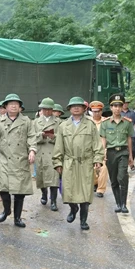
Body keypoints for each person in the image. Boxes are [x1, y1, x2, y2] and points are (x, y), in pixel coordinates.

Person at [52, 97, 104, 230]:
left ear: (84, 108)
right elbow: (58, 146)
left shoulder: (90, 125)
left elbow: (97, 144)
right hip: (69, 163)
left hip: (85, 163)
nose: (76, 108)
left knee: (86, 194)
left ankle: (83, 221)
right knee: (68, 192)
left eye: (79, 106)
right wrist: (58, 162)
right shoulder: (63, 126)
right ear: (69, 109)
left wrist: (98, 159)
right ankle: (73, 209)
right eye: (73, 106)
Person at [0, 93, 37, 228]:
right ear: (5, 106)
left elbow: (32, 137)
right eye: (10, 103)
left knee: (20, 191)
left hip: (20, 160)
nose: (13, 106)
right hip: (4, 160)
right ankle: (6, 209)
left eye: (16, 103)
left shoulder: (26, 121)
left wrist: (32, 150)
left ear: (20, 107)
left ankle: (17, 218)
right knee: (3, 188)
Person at [99, 94, 134, 214]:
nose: (117, 108)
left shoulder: (127, 123)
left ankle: (124, 204)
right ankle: (118, 203)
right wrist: (103, 153)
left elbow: (129, 139)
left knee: (122, 177)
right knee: (113, 180)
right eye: (115, 106)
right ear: (111, 107)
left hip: (123, 152)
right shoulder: (105, 123)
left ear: (122, 106)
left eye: (119, 105)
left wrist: (130, 156)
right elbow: (103, 139)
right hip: (111, 153)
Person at [33, 97, 61, 211]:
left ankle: (53, 200)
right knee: (41, 177)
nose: (47, 111)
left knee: (54, 178)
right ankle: (44, 194)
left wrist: (54, 137)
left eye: (49, 109)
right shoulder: (35, 122)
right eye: (45, 109)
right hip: (41, 151)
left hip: (53, 151)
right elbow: (31, 137)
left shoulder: (59, 122)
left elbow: (62, 138)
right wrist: (41, 135)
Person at [89, 101, 109, 198]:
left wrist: (106, 150)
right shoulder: (88, 122)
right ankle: (95, 183)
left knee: (103, 169)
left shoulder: (106, 122)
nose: (96, 113)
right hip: (90, 150)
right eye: (94, 111)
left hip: (102, 149)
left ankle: (101, 189)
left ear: (101, 111)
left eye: (98, 111)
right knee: (91, 169)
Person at [121, 97, 135, 170]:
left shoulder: (132, 112)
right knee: (124, 150)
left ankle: (131, 161)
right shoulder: (119, 112)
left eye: (127, 103)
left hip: (131, 133)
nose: (125, 105)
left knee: (133, 149)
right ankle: (125, 164)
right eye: (124, 103)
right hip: (122, 134)